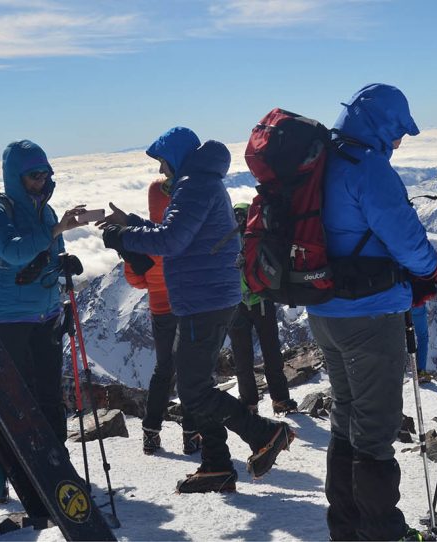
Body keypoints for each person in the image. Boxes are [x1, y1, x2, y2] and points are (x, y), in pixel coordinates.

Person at [98, 126, 295, 493]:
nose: (161, 172)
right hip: (208, 296)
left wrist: (123, 238)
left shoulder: (193, 185)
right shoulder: (200, 181)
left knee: (192, 390)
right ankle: (216, 466)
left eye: (162, 162)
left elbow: (172, 240)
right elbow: (180, 231)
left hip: (203, 299)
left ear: (174, 156)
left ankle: (266, 433)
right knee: (197, 385)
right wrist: (132, 224)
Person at [307, 84, 437, 541]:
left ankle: (345, 526)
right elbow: (407, 242)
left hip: (323, 310)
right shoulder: (369, 169)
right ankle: (383, 533)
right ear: (382, 126)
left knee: (346, 416)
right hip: (369, 313)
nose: (400, 143)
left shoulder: (322, 161)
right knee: (376, 429)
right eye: (398, 131)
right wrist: (430, 270)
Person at [0, 140, 86, 443]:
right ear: (16, 176)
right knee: (18, 398)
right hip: (10, 320)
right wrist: (55, 230)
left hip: (47, 313)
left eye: (44, 174)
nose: (41, 180)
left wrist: (64, 264)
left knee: (50, 395)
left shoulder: (47, 211)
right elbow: (14, 253)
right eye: (34, 175)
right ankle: (18, 466)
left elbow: (51, 253)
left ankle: (57, 465)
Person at [121, 175, 201, 456]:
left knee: (163, 370)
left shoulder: (145, 238)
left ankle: (151, 434)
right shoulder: (184, 231)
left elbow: (135, 279)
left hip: (159, 309)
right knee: (189, 370)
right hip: (187, 306)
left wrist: (154, 282)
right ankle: (192, 434)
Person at [229, 203, 298, 415]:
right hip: (262, 299)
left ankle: (249, 404)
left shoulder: (226, 240)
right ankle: (280, 399)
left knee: (242, 357)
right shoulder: (256, 237)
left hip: (235, 303)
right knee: (271, 352)